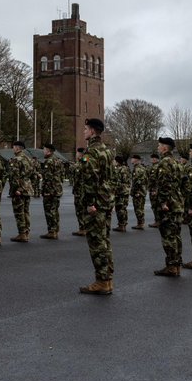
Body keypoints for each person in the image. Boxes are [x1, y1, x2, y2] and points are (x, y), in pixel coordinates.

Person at [78, 118, 117, 295]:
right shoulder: (107, 151)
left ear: (93, 131)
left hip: (96, 203)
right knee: (105, 240)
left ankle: (102, 281)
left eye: (86, 129)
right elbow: (111, 178)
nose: (84, 132)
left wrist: (90, 203)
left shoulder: (91, 152)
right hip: (106, 200)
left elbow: (90, 179)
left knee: (97, 242)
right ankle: (107, 279)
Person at [149, 137, 185, 277]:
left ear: (165, 148)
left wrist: (163, 202)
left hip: (168, 205)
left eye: (159, 145)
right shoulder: (176, 162)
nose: (158, 147)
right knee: (176, 235)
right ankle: (176, 264)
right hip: (177, 203)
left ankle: (171, 266)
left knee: (168, 236)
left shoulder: (164, 163)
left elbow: (164, 184)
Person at [8, 140, 37, 242]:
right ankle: (26, 232)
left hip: (19, 189)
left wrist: (16, 189)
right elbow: (34, 175)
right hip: (27, 188)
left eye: (14, 147)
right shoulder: (29, 159)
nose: (13, 149)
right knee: (26, 211)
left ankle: (22, 234)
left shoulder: (16, 160)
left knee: (19, 212)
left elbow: (14, 176)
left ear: (17, 148)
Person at [39, 143, 63, 239]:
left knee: (50, 211)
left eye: (44, 150)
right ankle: (55, 230)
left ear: (49, 151)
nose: (43, 152)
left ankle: (52, 231)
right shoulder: (58, 161)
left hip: (50, 190)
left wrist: (45, 190)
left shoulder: (48, 162)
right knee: (55, 211)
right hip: (57, 189)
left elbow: (47, 178)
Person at [129, 154, 148, 229]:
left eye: (132, 158)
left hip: (138, 192)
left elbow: (137, 182)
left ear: (136, 160)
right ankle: (141, 223)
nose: (131, 160)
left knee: (138, 208)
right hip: (142, 191)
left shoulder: (137, 169)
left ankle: (140, 224)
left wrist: (135, 191)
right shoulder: (142, 168)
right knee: (140, 207)